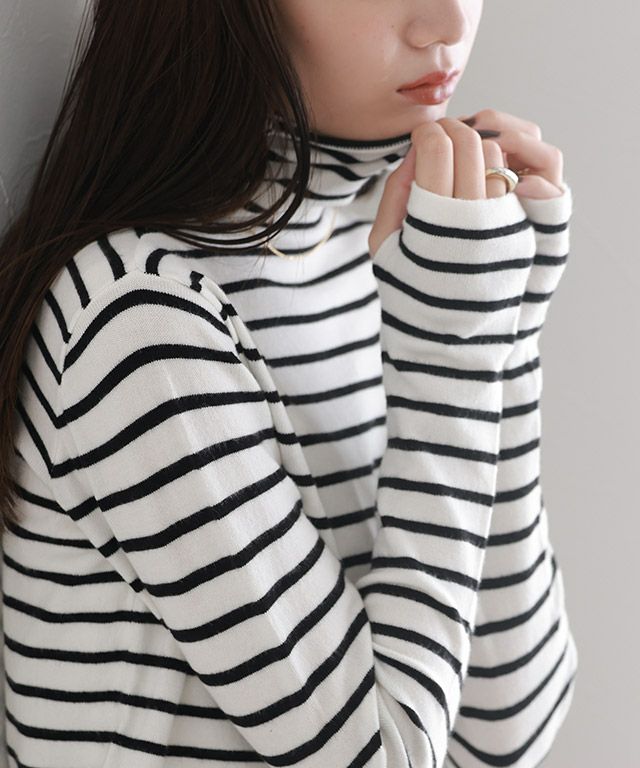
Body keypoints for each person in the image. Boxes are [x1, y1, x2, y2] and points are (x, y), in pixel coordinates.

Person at [0, 1, 578, 766]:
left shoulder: (385, 249)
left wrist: (504, 330)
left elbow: (505, 736)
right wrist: (458, 350)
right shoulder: (141, 319)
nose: (445, 22)